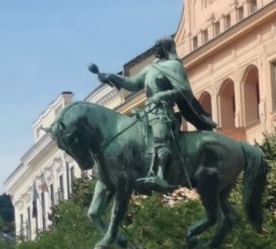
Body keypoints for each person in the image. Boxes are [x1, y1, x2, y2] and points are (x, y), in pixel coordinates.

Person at [89, 35, 217, 192]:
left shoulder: (174, 66)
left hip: (163, 111)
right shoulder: (151, 68)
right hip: (147, 111)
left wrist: (163, 95)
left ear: (166, 48)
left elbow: (184, 90)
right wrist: (112, 77)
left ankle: (162, 176)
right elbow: (133, 83)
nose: (156, 50)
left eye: (158, 47)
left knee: (160, 138)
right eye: (155, 47)